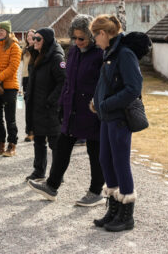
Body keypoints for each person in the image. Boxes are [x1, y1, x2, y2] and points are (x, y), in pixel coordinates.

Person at [27, 16, 105, 207]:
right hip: (72, 110)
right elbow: (67, 82)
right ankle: (52, 186)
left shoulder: (100, 54)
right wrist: (61, 104)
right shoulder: (74, 52)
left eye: (82, 38)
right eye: (74, 38)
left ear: (91, 36)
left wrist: (98, 104)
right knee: (62, 146)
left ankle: (96, 192)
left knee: (95, 151)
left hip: (92, 111)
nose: (77, 42)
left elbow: (103, 83)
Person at [90, 14, 144, 232]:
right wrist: (96, 102)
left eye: (95, 36)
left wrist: (106, 104)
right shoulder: (110, 53)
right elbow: (105, 83)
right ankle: (113, 209)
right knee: (105, 159)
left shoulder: (124, 54)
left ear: (103, 33)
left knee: (120, 162)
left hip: (119, 117)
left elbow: (133, 88)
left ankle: (126, 214)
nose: (94, 40)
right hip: (107, 116)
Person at [22, 28, 66, 186]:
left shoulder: (56, 57)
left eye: (38, 39)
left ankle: (57, 175)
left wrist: (51, 101)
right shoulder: (36, 55)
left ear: (46, 41)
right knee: (39, 140)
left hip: (50, 108)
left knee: (55, 143)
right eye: (33, 38)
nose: (34, 41)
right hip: (36, 105)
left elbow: (63, 82)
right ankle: (39, 171)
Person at [0, 20, 22, 157]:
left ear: (8, 32)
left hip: (9, 87)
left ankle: (12, 144)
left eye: (1, 30)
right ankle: (0, 143)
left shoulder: (15, 47)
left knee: (10, 118)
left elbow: (13, 67)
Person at [21, 29, 36, 142]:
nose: (29, 37)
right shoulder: (25, 50)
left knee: (36, 106)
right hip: (26, 79)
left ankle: (37, 131)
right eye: (28, 36)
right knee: (28, 106)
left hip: (35, 79)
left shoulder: (38, 50)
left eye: (32, 36)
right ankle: (29, 131)